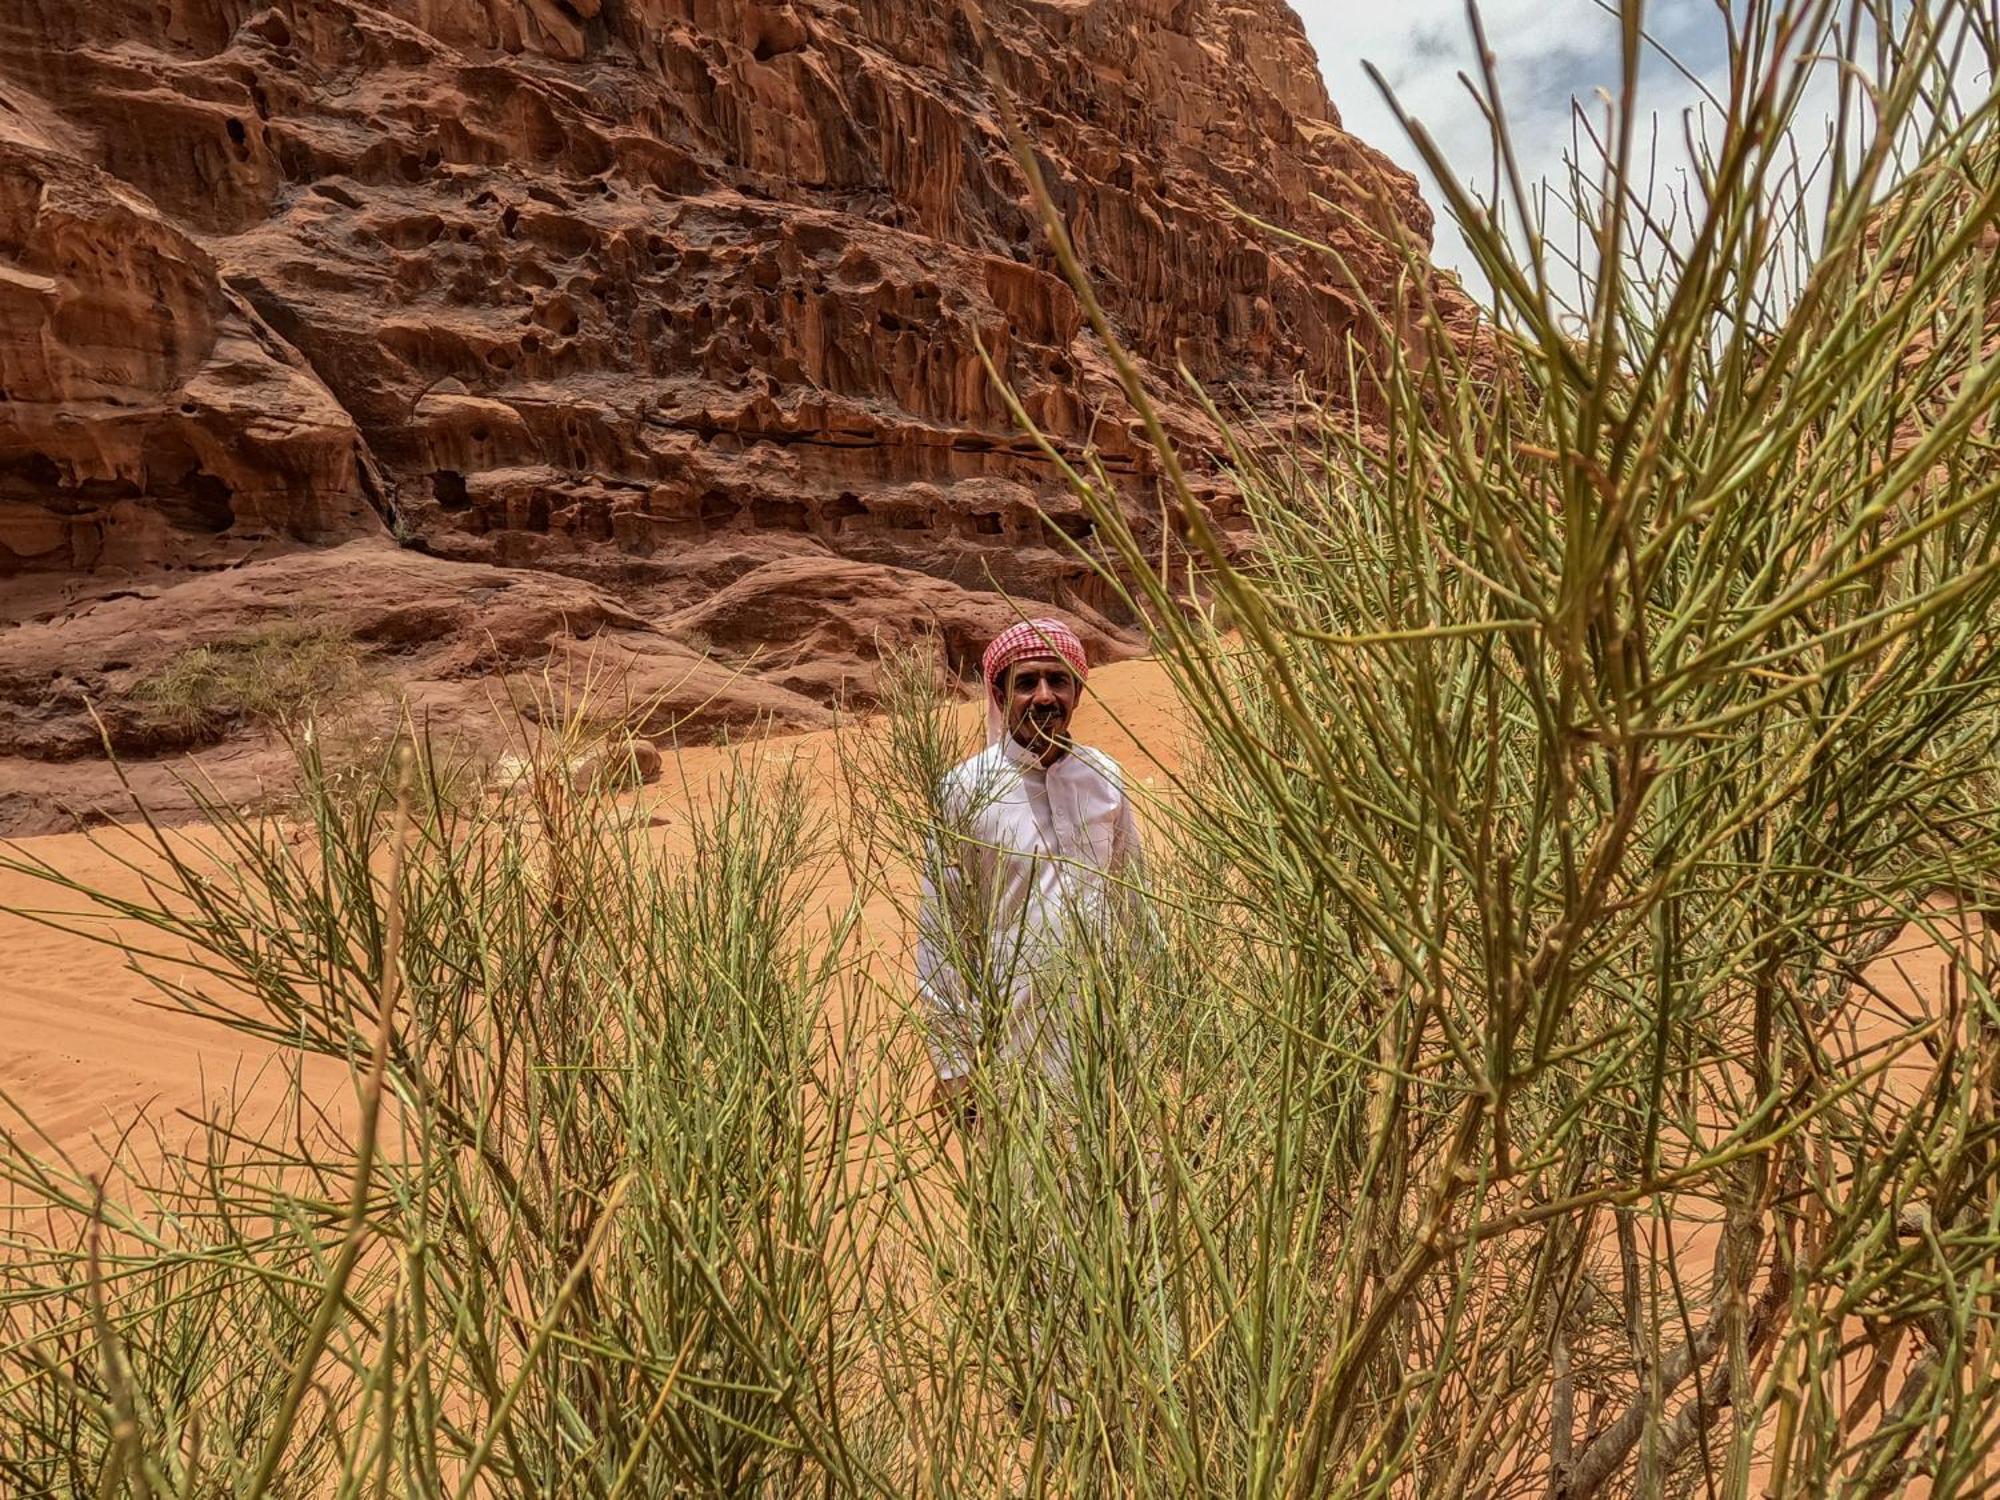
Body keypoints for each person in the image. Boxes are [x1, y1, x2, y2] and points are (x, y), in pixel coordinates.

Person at [915, 617, 1151, 1121]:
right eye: (1026, 682)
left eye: (1058, 679)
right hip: (1016, 1030)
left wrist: (1160, 1015)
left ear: (1078, 692)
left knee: (1124, 1176)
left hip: (1110, 1022)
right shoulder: (964, 790)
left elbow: (1134, 898)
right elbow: (942, 934)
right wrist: (955, 1063)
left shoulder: (1105, 776)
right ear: (1000, 695)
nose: (1044, 696)